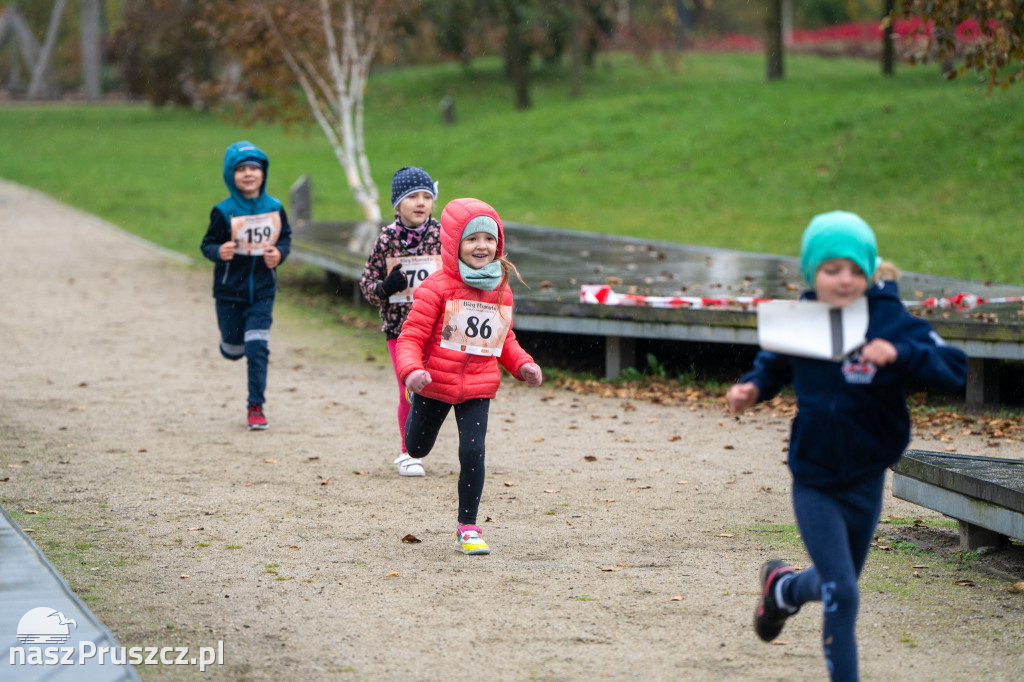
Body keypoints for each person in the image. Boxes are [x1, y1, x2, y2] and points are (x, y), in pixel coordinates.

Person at [725, 211, 967, 681]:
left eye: (856, 271)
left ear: (870, 272)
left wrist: (900, 353)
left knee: (838, 585)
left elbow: (954, 366)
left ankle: (783, 590)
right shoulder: (803, 319)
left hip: (865, 477)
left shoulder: (888, 319)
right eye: (833, 270)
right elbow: (772, 366)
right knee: (845, 593)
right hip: (814, 478)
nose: (845, 280)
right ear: (812, 272)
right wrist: (751, 389)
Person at [395, 197, 543, 555]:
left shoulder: (500, 289)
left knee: (473, 452)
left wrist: (523, 364)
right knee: (415, 448)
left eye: (489, 240)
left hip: (478, 385)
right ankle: (416, 415)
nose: (482, 246)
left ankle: (468, 527)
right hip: (434, 383)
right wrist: (413, 371)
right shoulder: (436, 288)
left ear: (499, 244)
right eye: (473, 239)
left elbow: (505, 338)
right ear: (453, 243)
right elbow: (410, 338)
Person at [200, 141, 292, 430]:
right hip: (229, 291)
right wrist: (219, 252)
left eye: (254, 168)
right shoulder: (223, 211)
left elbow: (285, 238)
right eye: (241, 169)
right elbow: (207, 244)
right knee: (233, 348)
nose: (249, 174)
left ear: (263, 172)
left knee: (257, 347)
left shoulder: (274, 207)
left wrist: (279, 254)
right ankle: (230, 345)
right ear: (231, 175)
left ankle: (256, 406)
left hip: (263, 291)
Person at [359, 167, 443, 477]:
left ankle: (425, 442)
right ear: (397, 205)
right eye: (412, 197)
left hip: (437, 329)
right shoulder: (386, 239)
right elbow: (367, 284)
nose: (420, 202)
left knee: (435, 390)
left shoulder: (442, 235)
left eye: (426, 196)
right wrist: (384, 289)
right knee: (409, 388)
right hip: (400, 330)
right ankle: (408, 452)